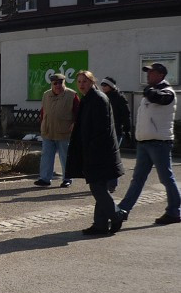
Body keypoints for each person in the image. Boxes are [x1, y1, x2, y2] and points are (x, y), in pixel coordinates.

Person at [115, 62, 181, 226]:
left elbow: (160, 98)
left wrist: (149, 92)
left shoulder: (168, 92)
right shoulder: (149, 93)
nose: (148, 75)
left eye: (151, 73)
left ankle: (174, 211)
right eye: (148, 72)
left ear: (161, 75)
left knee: (166, 178)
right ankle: (123, 209)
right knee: (137, 179)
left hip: (159, 143)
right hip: (145, 143)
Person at [64, 71, 124, 236]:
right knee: (100, 187)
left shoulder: (98, 99)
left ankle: (117, 215)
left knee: (97, 187)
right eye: (79, 81)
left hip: (100, 152)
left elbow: (101, 129)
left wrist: (90, 147)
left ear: (92, 82)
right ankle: (100, 225)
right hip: (95, 151)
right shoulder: (90, 98)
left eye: (85, 81)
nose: (81, 84)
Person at [35, 72, 79, 188]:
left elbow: (78, 113)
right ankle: (45, 178)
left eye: (60, 83)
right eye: (55, 83)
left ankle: (67, 179)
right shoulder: (46, 95)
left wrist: (75, 124)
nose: (58, 86)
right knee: (46, 156)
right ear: (52, 84)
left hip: (64, 132)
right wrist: (42, 124)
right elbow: (43, 112)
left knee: (65, 157)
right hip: (48, 131)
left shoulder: (71, 95)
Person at [99, 76, 132, 193]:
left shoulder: (119, 97)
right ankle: (104, 181)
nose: (103, 87)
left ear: (111, 86)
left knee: (113, 157)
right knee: (103, 157)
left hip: (116, 131)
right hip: (103, 131)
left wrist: (127, 130)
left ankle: (112, 183)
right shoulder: (102, 97)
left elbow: (126, 114)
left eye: (105, 85)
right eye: (102, 85)